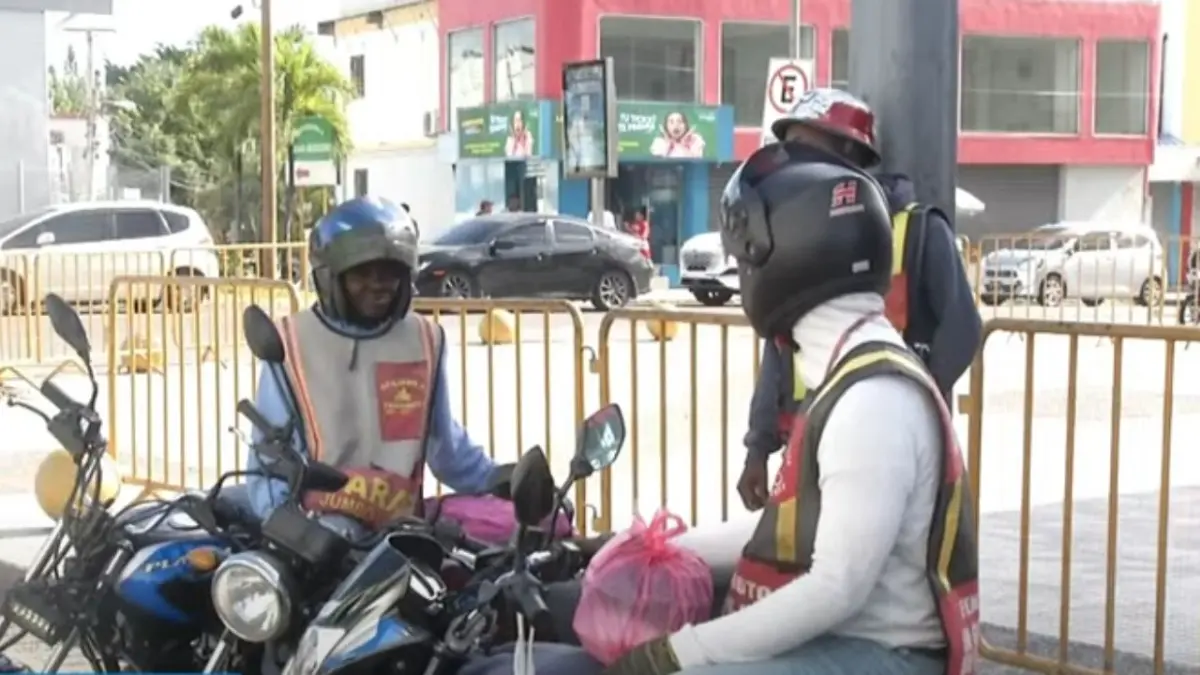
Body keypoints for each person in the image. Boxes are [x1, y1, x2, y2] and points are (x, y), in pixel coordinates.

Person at [476, 143, 980, 675]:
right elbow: (792, 531)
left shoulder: (872, 401)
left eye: (745, 261)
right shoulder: (850, 368)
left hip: (884, 654)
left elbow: (836, 587)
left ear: (787, 262)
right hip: (850, 637)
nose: (742, 276)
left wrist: (677, 653)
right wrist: (647, 545)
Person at [738, 87, 981, 512]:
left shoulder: (918, 232)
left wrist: (905, 410)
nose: (794, 166)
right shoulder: (799, 239)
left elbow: (962, 332)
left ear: (849, 156)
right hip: (811, 445)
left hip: (886, 455)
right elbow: (778, 351)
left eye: (806, 150)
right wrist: (758, 449)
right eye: (790, 151)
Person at [243, 196, 499, 530]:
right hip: (317, 533)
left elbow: (445, 447)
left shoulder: (424, 338)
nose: (378, 284)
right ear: (330, 277)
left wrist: (498, 480)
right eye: (361, 273)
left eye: (390, 273)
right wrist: (286, 525)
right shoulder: (291, 342)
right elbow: (268, 461)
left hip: (400, 534)